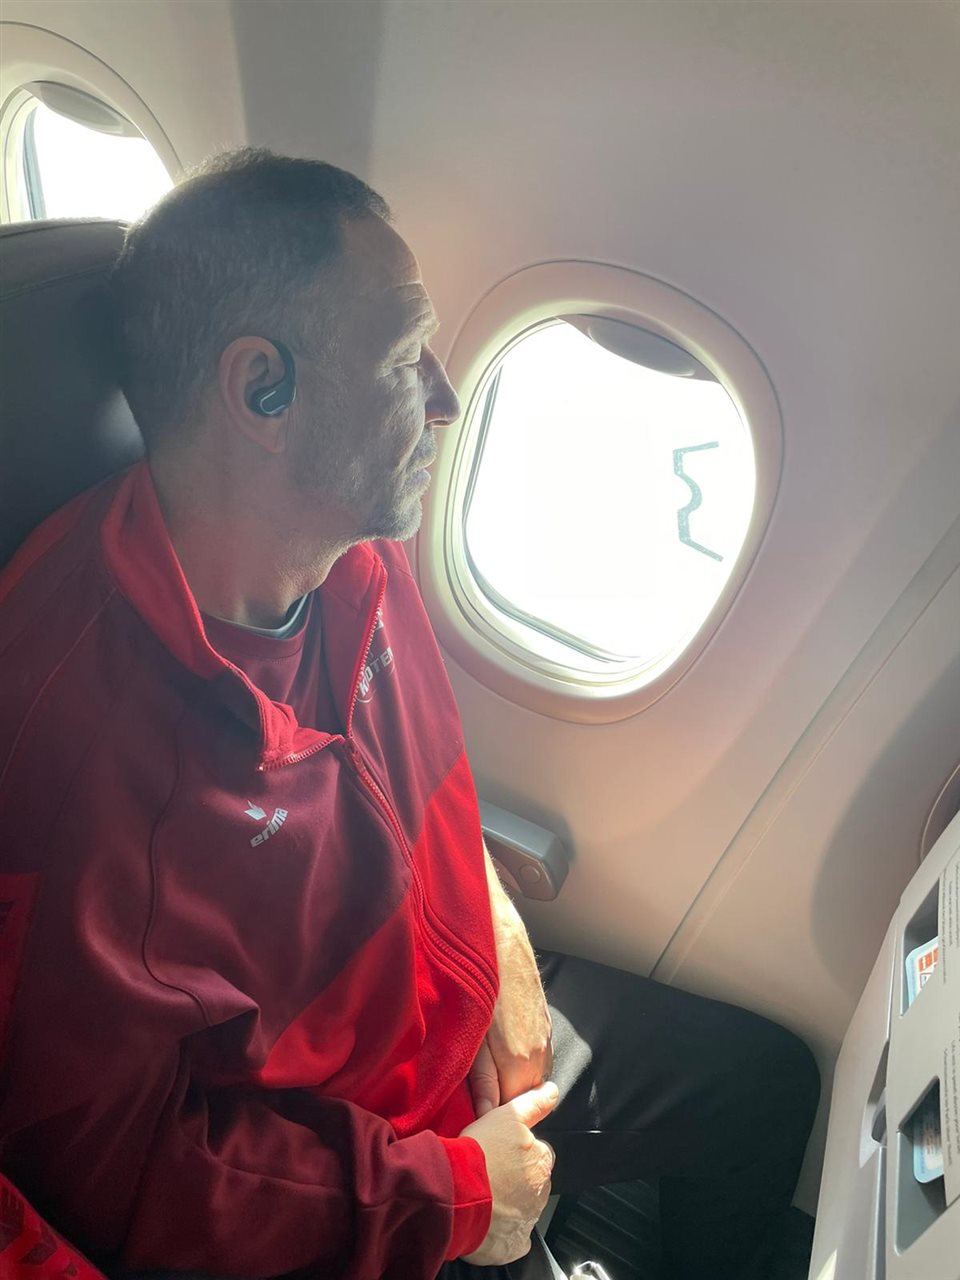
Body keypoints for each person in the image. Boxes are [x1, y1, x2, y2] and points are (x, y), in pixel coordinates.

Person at [0, 149, 819, 1280]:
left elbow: (424, 792)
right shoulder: (75, 742)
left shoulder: (349, 556)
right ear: (262, 389)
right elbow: (124, 1173)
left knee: (765, 1084)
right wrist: (459, 1195)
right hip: (363, 1159)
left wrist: (507, 947)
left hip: (460, 1026)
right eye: (402, 359)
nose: (445, 396)